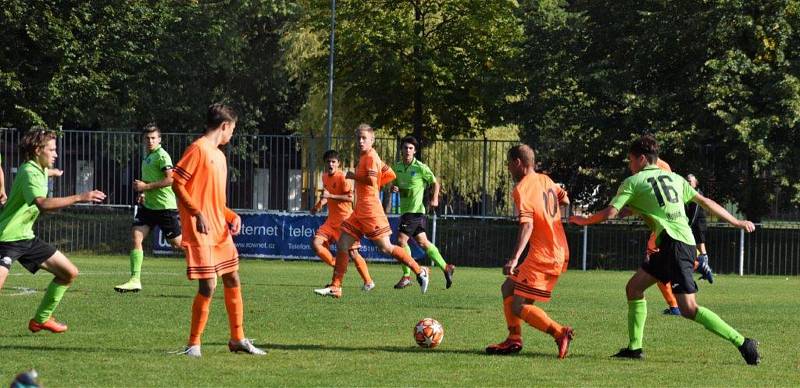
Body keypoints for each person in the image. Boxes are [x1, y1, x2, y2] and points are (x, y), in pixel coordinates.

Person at [570, 134, 760, 365]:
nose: (629, 166)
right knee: (634, 288)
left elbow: (611, 213)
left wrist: (584, 220)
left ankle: (743, 342)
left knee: (689, 309)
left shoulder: (634, 182)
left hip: (675, 246)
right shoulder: (674, 178)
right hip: (675, 244)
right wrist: (736, 221)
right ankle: (634, 348)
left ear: (641, 159)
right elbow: (704, 202)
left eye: (630, 160)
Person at [171, 103, 265, 356]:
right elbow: (177, 183)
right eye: (232, 129)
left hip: (219, 230)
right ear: (224, 126)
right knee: (208, 286)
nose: (232, 135)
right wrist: (196, 212)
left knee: (233, 277)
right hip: (200, 230)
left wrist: (231, 215)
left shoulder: (220, 156)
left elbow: (215, 201)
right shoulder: (198, 149)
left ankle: (237, 339)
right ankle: (193, 344)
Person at [0, 128, 106, 333]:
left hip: (26, 238)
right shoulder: (30, 171)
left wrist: (53, 172)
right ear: (38, 150)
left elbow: (42, 174)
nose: (56, 154)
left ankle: (41, 319)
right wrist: (79, 197)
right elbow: (43, 204)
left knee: (69, 273)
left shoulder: (38, 169)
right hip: (6, 239)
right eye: (52, 149)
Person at [314, 124, 429, 298]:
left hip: (371, 210)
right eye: (358, 138)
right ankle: (336, 286)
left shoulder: (370, 157)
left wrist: (354, 176)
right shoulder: (365, 157)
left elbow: (370, 180)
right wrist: (374, 184)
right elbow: (390, 174)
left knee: (386, 248)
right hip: (360, 211)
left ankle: (420, 271)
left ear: (372, 140)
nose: (360, 141)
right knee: (343, 244)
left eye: (364, 138)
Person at [485, 144, 574, 358]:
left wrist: (514, 258)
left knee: (519, 306)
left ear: (518, 162)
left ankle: (560, 332)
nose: (508, 169)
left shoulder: (522, 188)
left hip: (544, 255)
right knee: (508, 288)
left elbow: (527, 225)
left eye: (509, 164)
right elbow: (565, 199)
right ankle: (513, 339)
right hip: (557, 250)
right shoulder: (546, 180)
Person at [115, 124, 182, 293]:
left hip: (164, 207)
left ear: (159, 139)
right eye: (147, 138)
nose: (150, 141)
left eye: (153, 138)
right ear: (143, 140)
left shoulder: (162, 156)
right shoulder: (147, 157)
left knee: (177, 244)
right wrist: (143, 193)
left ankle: (207, 260)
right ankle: (135, 279)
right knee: (136, 236)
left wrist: (146, 187)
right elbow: (149, 182)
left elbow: (170, 180)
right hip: (149, 207)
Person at [388, 136, 455, 290]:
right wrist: (393, 189)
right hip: (407, 212)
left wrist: (435, 199)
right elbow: (394, 185)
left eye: (411, 148)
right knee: (424, 243)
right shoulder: (396, 167)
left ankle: (406, 276)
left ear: (415, 151)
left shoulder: (420, 167)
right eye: (405, 148)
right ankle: (446, 267)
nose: (407, 151)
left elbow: (435, 183)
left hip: (415, 211)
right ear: (401, 150)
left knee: (401, 241)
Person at [311, 150, 374, 291]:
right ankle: (335, 263)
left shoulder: (342, 178)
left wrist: (331, 196)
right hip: (331, 221)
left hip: (346, 221)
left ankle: (368, 281)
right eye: (328, 161)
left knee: (353, 253)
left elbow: (350, 198)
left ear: (338, 163)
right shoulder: (325, 176)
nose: (331, 164)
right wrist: (318, 206)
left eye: (333, 161)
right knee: (316, 244)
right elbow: (327, 196)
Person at [686, 173, 713, 283]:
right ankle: (704, 269)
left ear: (695, 183)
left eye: (690, 181)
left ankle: (706, 269)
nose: (687, 183)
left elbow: (695, 213)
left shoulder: (697, 193)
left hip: (698, 225)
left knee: (701, 247)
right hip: (693, 224)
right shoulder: (688, 193)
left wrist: (688, 225)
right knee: (695, 248)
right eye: (686, 181)